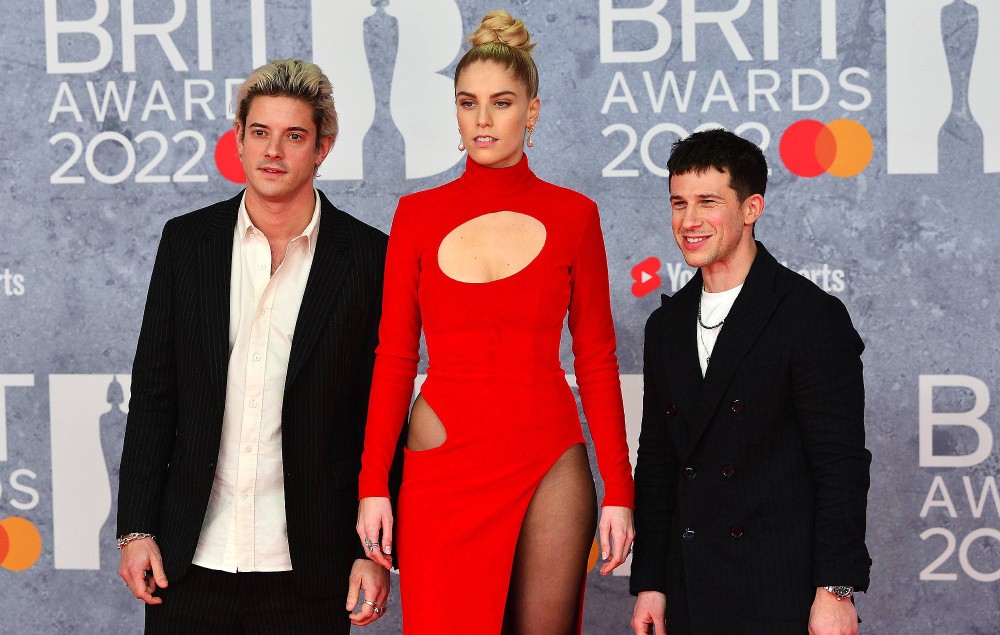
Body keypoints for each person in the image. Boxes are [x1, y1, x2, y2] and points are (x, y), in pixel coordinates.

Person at [356, 10, 635, 634]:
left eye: (502, 102)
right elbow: (396, 356)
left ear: (531, 111)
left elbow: (595, 357)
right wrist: (373, 481)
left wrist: (620, 487)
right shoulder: (417, 216)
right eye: (468, 102)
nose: (483, 120)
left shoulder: (574, 216)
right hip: (441, 463)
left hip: (547, 457)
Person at [116, 58, 394, 634]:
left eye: (294, 136)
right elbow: (153, 395)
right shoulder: (186, 243)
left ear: (323, 148)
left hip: (314, 563)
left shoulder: (369, 258)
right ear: (238, 140)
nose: (274, 151)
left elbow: (382, 414)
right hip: (188, 558)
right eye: (260, 133)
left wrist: (373, 550)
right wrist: (137, 529)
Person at [629, 129, 872, 634]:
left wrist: (836, 591)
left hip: (780, 591)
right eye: (678, 203)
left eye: (708, 202)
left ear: (751, 208)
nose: (688, 221)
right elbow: (657, 462)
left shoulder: (810, 315)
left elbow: (841, 464)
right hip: (691, 589)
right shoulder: (666, 327)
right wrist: (652, 583)